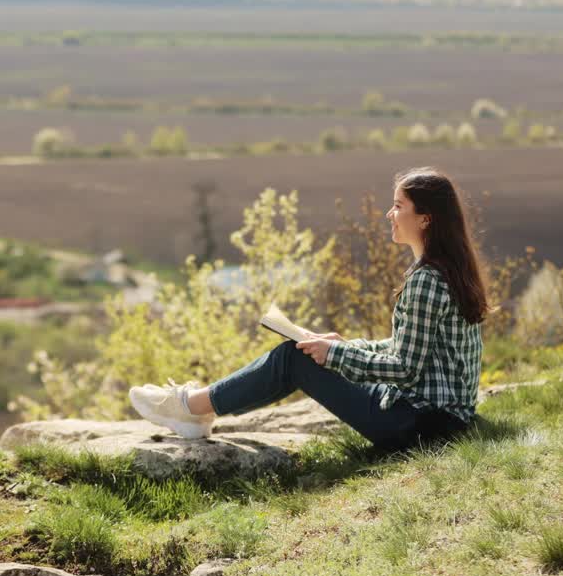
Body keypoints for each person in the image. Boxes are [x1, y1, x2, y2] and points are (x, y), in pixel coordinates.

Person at [129, 166, 488, 453]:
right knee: (303, 354)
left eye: (398, 206)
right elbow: (409, 348)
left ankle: (190, 408)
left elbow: (404, 367)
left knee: (294, 359)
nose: (388, 214)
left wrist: (335, 355)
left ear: (425, 219)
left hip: (422, 427)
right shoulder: (445, 270)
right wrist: (341, 346)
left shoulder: (427, 280)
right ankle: (196, 408)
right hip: (432, 417)